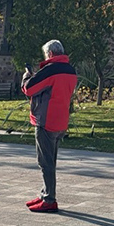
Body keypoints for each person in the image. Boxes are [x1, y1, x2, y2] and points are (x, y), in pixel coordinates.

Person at [21, 40, 78, 213]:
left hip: (46, 121)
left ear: (51, 54)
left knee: (45, 161)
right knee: (50, 160)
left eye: (46, 54)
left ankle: (49, 199)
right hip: (61, 120)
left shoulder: (51, 70)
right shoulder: (70, 70)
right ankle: (46, 193)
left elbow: (29, 89)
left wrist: (27, 76)